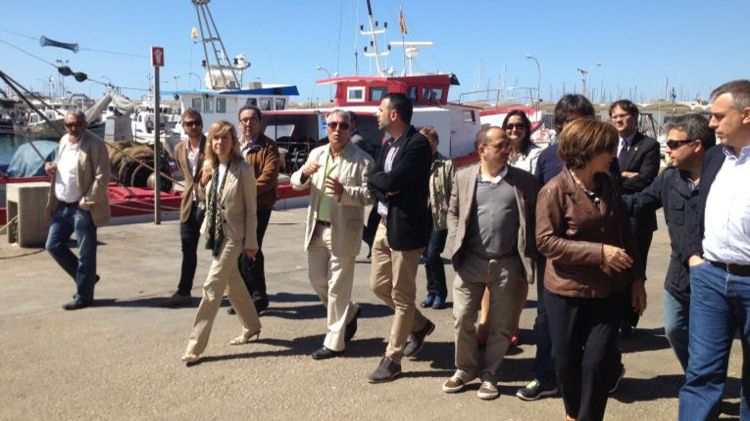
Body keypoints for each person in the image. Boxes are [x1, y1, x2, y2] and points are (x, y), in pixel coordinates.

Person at [536, 118, 646, 421]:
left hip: (609, 290)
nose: (614, 154)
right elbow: (545, 242)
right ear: (587, 149)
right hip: (566, 290)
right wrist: (598, 252)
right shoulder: (554, 191)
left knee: (598, 362)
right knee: (565, 362)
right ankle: (573, 413)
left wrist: (637, 279)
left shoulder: (608, 184)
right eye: (608, 148)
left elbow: (625, 231)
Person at [442, 126, 538, 400]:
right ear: (482, 150)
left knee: (502, 324)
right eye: (500, 145)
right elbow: (453, 211)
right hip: (470, 261)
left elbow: (533, 219)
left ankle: (490, 374)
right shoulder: (463, 177)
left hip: (507, 263)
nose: (507, 149)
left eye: (508, 145)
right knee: (462, 318)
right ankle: (465, 368)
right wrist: (454, 239)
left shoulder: (524, 181)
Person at [516, 94, 599, 401]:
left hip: (593, 254)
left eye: (579, 121)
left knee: (593, 318)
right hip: (552, 254)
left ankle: (602, 373)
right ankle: (545, 376)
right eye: (566, 122)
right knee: (546, 317)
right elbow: (537, 203)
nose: (572, 128)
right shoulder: (547, 157)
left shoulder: (603, 156)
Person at [679, 80, 750, 420]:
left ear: (746, 114)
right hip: (710, 277)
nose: (711, 124)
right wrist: (695, 256)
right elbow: (697, 210)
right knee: (701, 374)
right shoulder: (712, 159)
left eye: (719, 116)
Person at [623, 114, 714, 371]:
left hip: (713, 274)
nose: (667, 149)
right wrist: (603, 200)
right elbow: (641, 202)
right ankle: (696, 375)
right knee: (674, 329)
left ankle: (703, 384)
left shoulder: (721, 179)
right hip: (678, 275)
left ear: (696, 145)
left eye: (674, 144)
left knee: (709, 339)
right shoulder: (670, 177)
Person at [290, 110, 372, 360]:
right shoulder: (317, 153)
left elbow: (369, 195)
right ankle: (349, 312)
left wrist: (344, 191)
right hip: (317, 227)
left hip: (343, 232)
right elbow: (296, 181)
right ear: (326, 127)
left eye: (343, 125)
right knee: (317, 279)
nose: (337, 129)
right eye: (332, 124)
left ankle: (335, 341)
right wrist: (304, 173)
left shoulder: (363, 160)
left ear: (351, 128)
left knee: (338, 288)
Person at [367, 92, 434, 383]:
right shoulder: (387, 143)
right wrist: (382, 184)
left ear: (394, 114)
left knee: (402, 295)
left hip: (406, 228)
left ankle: (392, 359)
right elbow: (376, 177)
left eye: (380, 109)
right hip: (382, 223)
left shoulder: (417, 144)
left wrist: (383, 182)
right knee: (379, 286)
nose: (376, 114)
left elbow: (393, 180)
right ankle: (419, 326)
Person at [181, 120, 261, 365]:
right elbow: (206, 200)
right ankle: (252, 325)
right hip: (215, 233)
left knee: (212, 285)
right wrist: (203, 184)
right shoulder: (209, 165)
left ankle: (195, 346)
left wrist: (251, 242)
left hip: (235, 234)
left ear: (233, 142)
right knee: (231, 281)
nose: (219, 143)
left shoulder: (243, 170)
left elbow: (251, 208)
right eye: (215, 138)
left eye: (225, 138)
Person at [477, 109, 541, 346]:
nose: (514, 130)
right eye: (510, 126)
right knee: (488, 276)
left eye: (519, 126)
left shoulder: (535, 155)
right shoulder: (497, 151)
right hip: (498, 221)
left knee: (520, 278)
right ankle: (485, 321)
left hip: (523, 221)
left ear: (527, 129)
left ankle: (513, 323)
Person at [44, 111, 110, 310]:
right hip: (63, 205)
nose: (75, 128)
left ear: (85, 124)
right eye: (70, 125)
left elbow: (102, 176)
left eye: (79, 124)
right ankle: (87, 279)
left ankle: (84, 296)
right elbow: (63, 165)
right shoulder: (64, 140)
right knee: (52, 245)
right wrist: (51, 167)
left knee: (86, 253)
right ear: (65, 126)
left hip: (83, 207)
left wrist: (87, 201)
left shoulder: (95, 144)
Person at [609, 99, 661, 336]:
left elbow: (648, 179)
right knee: (613, 267)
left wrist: (616, 180)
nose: (619, 120)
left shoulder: (649, 145)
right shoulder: (608, 145)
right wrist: (626, 176)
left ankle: (628, 320)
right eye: (615, 116)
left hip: (638, 218)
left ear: (635, 117)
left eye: (623, 116)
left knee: (635, 268)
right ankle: (613, 314)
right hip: (612, 216)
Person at [233, 105, 280, 315]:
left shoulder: (268, 147)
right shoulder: (234, 145)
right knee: (236, 251)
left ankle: (258, 297)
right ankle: (246, 296)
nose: (248, 124)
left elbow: (269, 178)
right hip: (235, 208)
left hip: (259, 206)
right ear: (239, 122)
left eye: (252, 119)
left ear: (259, 123)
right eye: (244, 120)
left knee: (251, 249)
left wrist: (243, 192)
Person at [161, 109, 207, 308]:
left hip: (208, 204)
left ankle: (234, 290)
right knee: (188, 250)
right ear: (183, 127)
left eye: (197, 122)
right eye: (189, 124)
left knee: (220, 250)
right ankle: (184, 291)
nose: (194, 126)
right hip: (189, 204)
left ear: (202, 124)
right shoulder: (179, 149)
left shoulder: (212, 145)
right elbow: (186, 174)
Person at [419, 126, 454, 310]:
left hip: (438, 217)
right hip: (420, 217)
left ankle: (440, 292)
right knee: (426, 255)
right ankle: (431, 292)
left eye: (430, 141)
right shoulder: (416, 162)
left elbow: (453, 192)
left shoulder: (446, 164)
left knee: (433, 253)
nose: (426, 145)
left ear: (436, 143)